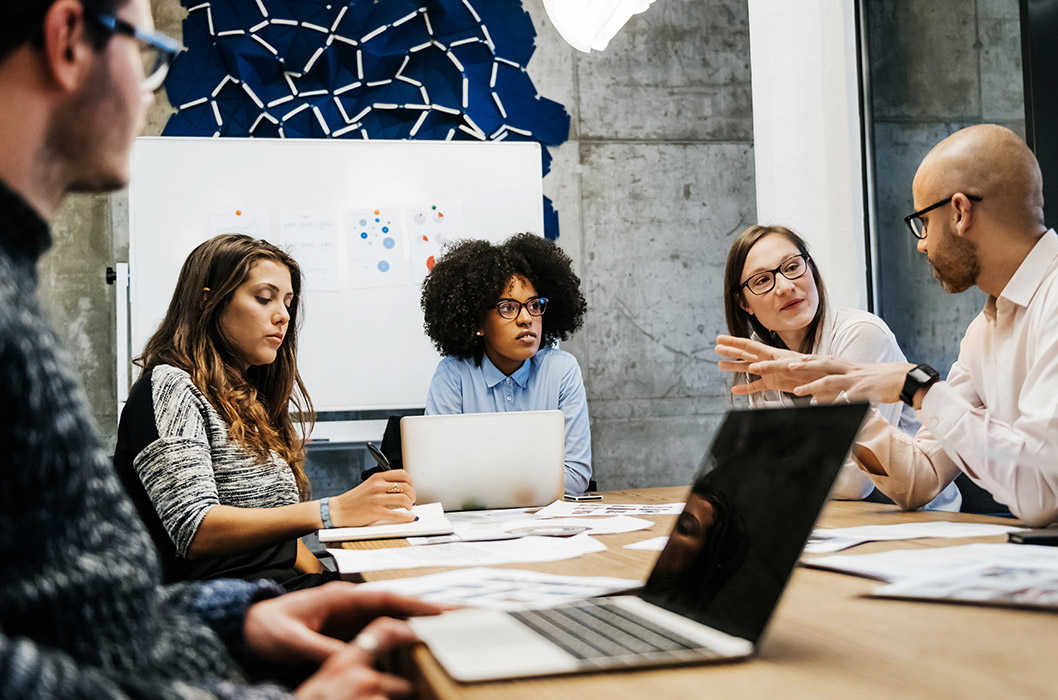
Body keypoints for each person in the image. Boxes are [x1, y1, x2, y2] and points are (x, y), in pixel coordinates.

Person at [0, 0, 442, 697]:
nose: (150, 93)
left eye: (288, 302)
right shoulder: (166, 385)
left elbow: (80, 612)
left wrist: (238, 620)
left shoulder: (16, 287)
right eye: (146, 52)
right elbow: (188, 537)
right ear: (67, 42)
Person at [716, 124, 1058, 527]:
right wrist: (841, 391)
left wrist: (916, 385)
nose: (921, 244)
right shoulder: (983, 332)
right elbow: (921, 481)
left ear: (960, 212)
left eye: (923, 223)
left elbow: (1040, 494)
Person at [114, 233, 416, 591]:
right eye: (264, 298)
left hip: (274, 590)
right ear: (207, 301)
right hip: (218, 605)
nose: (283, 316)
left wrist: (333, 579)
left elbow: (281, 546)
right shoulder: (170, 386)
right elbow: (196, 530)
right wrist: (331, 511)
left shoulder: (246, 400)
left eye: (288, 303)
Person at [722, 225, 960, 510]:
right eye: (762, 281)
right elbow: (754, 469)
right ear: (743, 303)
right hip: (829, 518)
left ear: (811, 268)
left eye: (793, 266)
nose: (785, 286)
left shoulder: (861, 333)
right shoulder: (758, 352)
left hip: (913, 517)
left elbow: (855, 482)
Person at [420, 233, 593, 494]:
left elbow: (576, 476)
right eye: (509, 308)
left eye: (534, 305)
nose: (527, 318)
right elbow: (437, 476)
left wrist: (482, 479)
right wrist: (531, 479)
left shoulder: (561, 370)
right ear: (478, 322)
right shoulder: (453, 374)